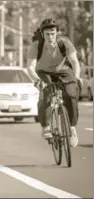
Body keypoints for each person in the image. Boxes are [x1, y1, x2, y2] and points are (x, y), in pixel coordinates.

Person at [27, 18, 81, 147]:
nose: (50, 36)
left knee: (71, 94)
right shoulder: (36, 46)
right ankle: (46, 126)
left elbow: (74, 62)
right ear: (42, 34)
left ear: (57, 32)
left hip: (62, 70)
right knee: (46, 94)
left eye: (53, 33)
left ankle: (72, 129)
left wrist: (77, 78)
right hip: (43, 72)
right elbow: (30, 67)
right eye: (47, 34)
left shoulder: (64, 42)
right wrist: (38, 81)